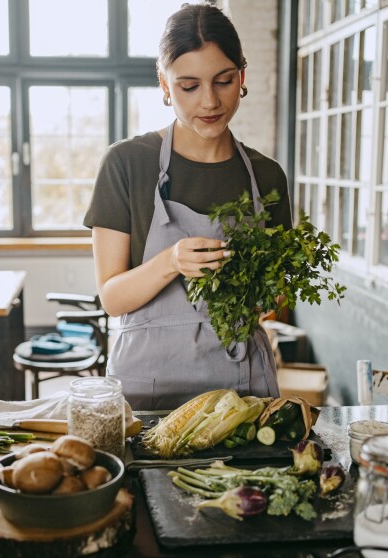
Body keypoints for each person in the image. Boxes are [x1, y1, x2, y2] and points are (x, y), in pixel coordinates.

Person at [83, 3, 292, 411]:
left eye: (224, 80)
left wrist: (267, 293)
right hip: (148, 388)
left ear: (242, 76)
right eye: (189, 86)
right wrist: (171, 262)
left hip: (241, 386)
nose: (210, 101)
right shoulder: (127, 163)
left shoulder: (266, 177)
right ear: (164, 85)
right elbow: (111, 298)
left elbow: (276, 299)